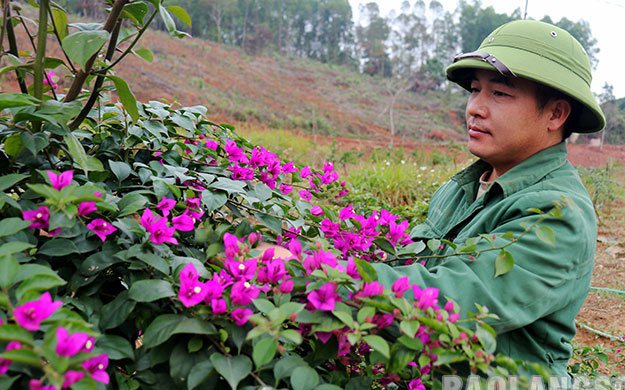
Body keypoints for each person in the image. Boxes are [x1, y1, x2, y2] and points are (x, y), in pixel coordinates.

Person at [371, 19, 605, 376]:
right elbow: (413, 263)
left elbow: (453, 301)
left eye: (499, 94)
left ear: (556, 114)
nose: (474, 108)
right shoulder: (464, 186)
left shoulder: (557, 214)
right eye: (475, 90)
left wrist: (330, 277)